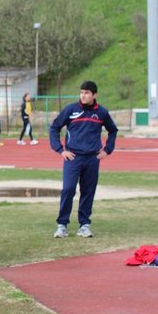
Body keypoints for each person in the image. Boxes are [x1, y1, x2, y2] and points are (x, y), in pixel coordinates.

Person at [50, 81, 118, 238]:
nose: (83, 95)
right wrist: (60, 150)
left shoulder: (101, 112)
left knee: (88, 191)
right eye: (81, 92)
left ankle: (84, 225)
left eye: (87, 93)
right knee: (68, 189)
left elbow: (113, 131)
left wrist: (107, 150)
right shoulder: (71, 110)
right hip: (73, 157)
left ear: (94, 95)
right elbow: (54, 127)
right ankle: (62, 226)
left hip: (92, 159)